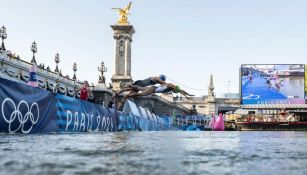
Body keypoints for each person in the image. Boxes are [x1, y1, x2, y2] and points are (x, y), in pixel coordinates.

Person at [117, 83, 194, 108]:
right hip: (152, 89)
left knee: (139, 88)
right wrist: (186, 95)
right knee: (139, 94)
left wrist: (188, 95)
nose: (174, 92)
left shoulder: (172, 87)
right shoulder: (171, 86)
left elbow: (182, 91)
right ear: (175, 89)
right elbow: (180, 91)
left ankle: (130, 86)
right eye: (175, 91)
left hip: (153, 88)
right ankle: (126, 96)